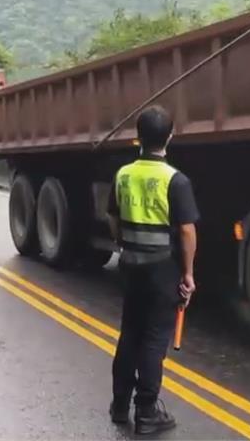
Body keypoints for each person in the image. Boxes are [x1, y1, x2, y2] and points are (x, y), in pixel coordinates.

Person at [106, 104, 199, 435]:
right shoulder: (176, 180)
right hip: (162, 271)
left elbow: (113, 219)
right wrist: (187, 274)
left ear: (137, 137)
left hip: (130, 266)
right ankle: (146, 411)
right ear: (170, 137)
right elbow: (187, 231)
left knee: (130, 332)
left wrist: (124, 244)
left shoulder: (123, 175)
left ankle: (119, 405)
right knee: (153, 338)